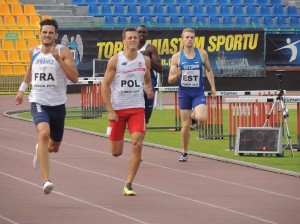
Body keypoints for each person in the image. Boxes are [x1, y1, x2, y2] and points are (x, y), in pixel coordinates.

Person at [15, 19, 79, 194]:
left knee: (54, 147)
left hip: (58, 105)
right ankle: (46, 181)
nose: (47, 35)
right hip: (38, 101)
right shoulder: (33, 51)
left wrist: (58, 59)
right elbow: (30, 70)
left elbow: (74, 78)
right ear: (40, 33)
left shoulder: (63, 51)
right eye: (45, 32)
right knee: (44, 134)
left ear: (56, 35)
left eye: (51, 32)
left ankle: (39, 149)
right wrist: (22, 90)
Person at [101, 27, 154, 196]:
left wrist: (148, 89)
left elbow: (146, 79)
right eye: (129, 38)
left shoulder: (145, 60)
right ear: (123, 41)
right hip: (118, 110)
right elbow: (104, 86)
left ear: (139, 41)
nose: (133, 40)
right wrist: (110, 110)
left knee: (137, 143)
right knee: (116, 152)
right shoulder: (115, 60)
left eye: (135, 38)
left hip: (137, 108)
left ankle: (129, 184)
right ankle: (115, 133)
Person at [168, 28, 216, 162]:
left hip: (197, 92)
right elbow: (170, 80)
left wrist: (213, 87)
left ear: (195, 39)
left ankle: (194, 115)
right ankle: (184, 151)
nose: (189, 39)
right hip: (184, 94)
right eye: (187, 37)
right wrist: (176, 75)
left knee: (203, 117)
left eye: (192, 37)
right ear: (182, 39)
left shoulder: (202, 54)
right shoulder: (177, 57)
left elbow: (209, 70)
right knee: (185, 126)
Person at [136, 25, 163, 124]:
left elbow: (160, 68)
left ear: (147, 34)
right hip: (134, 81)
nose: (141, 34)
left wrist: (148, 59)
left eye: (144, 32)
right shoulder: (131, 48)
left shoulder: (150, 49)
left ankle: (145, 120)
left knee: (147, 113)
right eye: (139, 32)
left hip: (149, 80)